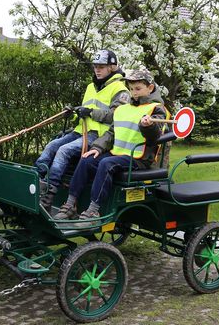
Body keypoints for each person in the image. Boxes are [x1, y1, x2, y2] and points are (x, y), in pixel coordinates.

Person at [54, 68, 168, 220]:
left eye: (138, 89)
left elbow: (155, 137)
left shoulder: (157, 110)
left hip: (139, 158)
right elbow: (112, 132)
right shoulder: (123, 109)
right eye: (131, 89)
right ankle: (70, 204)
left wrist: (148, 126)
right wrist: (97, 148)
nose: (134, 93)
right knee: (87, 159)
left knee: (106, 164)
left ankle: (94, 210)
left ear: (150, 88)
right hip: (119, 153)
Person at [36, 49, 129, 210]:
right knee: (51, 145)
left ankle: (49, 194)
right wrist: (72, 113)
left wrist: (91, 113)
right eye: (95, 66)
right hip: (80, 131)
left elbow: (117, 116)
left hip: (99, 136)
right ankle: (36, 178)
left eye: (101, 66)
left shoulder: (121, 89)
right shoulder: (90, 87)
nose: (97, 70)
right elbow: (84, 114)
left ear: (112, 68)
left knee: (63, 150)